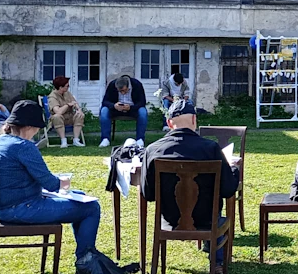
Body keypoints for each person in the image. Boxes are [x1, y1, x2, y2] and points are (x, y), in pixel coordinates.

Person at [0, 100, 101, 263]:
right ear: (29, 127)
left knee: (80, 196)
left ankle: (86, 258)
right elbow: (51, 184)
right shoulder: (24, 146)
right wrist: (64, 181)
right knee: (91, 207)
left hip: (1, 208)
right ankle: (87, 260)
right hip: (21, 208)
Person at [142, 99, 241, 263]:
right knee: (218, 217)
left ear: (169, 122)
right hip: (207, 219)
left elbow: (148, 194)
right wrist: (234, 170)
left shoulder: (153, 150)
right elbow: (227, 189)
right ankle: (217, 262)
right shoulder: (211, 149)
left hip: (170, 219)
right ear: (194, 120)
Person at [99, 75, 148, 148]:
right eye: (120, 91)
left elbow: (142, 102)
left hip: (132, 109)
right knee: (104, 111)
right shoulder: (112, 85)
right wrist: (114, 105)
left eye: (124, 90)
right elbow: (105, 101)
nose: (122, 93)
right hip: (116, 109)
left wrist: (131, 108)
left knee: (143, 112)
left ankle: (140, 139)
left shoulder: (137, 85)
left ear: (128, 86)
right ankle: (105, 139)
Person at [47, 75, 86, 148]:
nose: (68, 87)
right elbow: (58, 112)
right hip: (59, 119)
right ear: (61, 87)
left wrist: (79, 110)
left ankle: (76, 140)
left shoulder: (67, 93)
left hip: (69, 117)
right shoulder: (52, 97)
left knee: (80, 115)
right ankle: (63, 141)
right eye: (67, 86)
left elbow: (74, 102)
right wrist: (67, 105)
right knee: (57, 117)